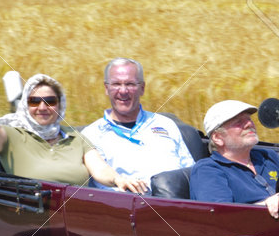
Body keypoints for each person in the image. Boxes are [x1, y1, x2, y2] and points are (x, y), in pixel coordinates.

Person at [0, 44, 148, 193]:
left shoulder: (75, 137)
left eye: (50, 101)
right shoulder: (11, 136)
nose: (42, 107)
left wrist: (119, 180)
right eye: (34, 101)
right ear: (26, 105)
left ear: (60, 105)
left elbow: (100, 170)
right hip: (34, 219)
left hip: (80, 217)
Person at [81, 58, 195, 188]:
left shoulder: (166, 125)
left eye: (130, 84)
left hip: (173, 203)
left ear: (142, 88)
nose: (123, 91)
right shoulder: (91, 135)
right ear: (106, 89)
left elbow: (191, 173)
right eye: (116, 84)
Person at [189, 100, 279, 216]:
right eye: (238, 122)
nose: (249, 124)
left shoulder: (267, 156)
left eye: (249, 119)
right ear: (218, 138)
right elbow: (221, 217)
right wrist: (266, 205)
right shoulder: (207, 170)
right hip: (252, 234)